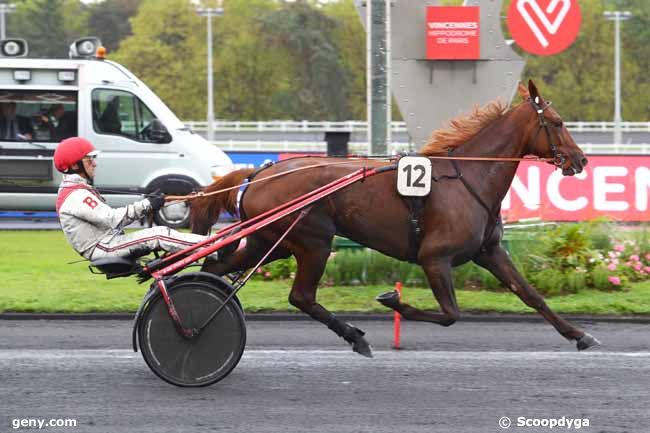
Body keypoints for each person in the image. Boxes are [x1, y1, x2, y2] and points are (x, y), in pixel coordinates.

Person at [54, 136, 219, 262]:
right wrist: (148, 204)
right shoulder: (76, 195)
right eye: (89, 159)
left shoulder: (77, 190)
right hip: (104, 248)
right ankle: (217, 247)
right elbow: (112, 219)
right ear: (75, 165)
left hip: (107, 242)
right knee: (159, 235)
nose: (94, 164)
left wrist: (153, 204)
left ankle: (214, 245)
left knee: (160, 234)